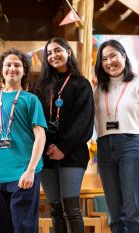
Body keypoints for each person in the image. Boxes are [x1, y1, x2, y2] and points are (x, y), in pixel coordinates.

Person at [94, 39, 139, 233]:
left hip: (132, 145)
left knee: (133, 211)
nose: (109, 62)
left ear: (124, 56)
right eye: (104, 58)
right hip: (105, 146)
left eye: (113, 55)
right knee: (115, 213)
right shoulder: (98, 91)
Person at [34, 37, 94, 233]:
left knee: (72, 210)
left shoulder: (81, 84)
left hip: (72, 154)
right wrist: (49, 146)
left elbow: (83, 121)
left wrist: (63, 147)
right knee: (55, 211)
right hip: (47, 155)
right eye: (49, 53)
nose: (53, 56)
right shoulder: (41, 86)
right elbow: (37, 120)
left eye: (58, 50)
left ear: (68, 52)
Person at [0, 48, 47, 233]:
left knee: (24, 228)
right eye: (8, 65)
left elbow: (40, 136)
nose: (12, 68)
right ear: (1, 70)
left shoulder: (31, 100)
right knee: (6, 228)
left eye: (17, 65)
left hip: (24, 175)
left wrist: (30, 171)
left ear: (24, 71)